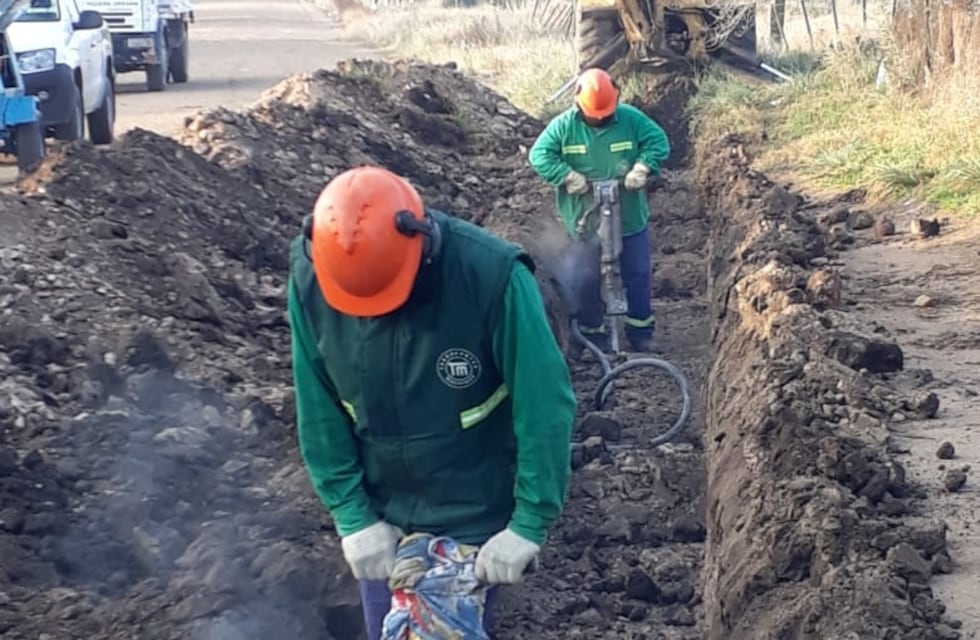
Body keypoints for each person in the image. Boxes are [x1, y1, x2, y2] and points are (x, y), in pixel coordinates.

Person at [286, 165, 577, 640]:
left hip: (474, 503)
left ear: (423, 244)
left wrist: (529, 522)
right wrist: (352, 516)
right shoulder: (312, 278)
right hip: (382, 512)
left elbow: (544, 404)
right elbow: (317, 402)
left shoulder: (491, 278)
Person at [528, 67, 671, 353]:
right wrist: (566, 175)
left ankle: (640, 331)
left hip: (629, 217)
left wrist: (642, 167)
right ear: (578, 104)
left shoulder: (630, 119)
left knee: (638, 272)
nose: (599, 118)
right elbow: (539, 155)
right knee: (587, 277)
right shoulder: (564, 126)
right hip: (585, 219)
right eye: (594, 114)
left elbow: (658, 142)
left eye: (605, 114)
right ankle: (593, 334)